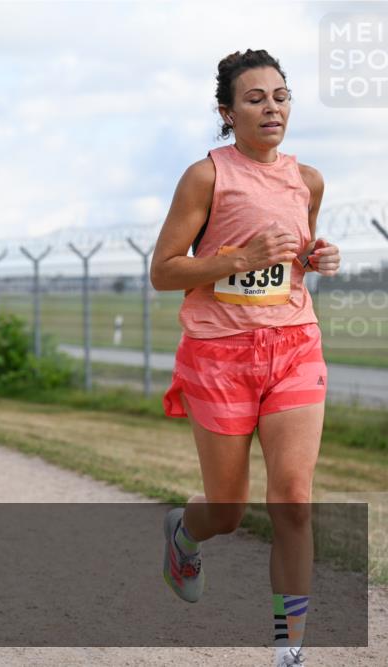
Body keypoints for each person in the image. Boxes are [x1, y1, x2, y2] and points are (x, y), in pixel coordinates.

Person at [149, 49, 340, 667]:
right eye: (255, 98)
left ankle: (290, 652)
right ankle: (186, 533)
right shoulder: (206, 176)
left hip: (293, 346)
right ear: (227, 112)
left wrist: (315, 260)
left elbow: (291, 264)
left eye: (281, 96)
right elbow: (163, 271)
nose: (272, 108)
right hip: (219, 354)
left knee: (293, 496)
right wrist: (238, 257)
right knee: (227, 510)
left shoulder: (306, 179)